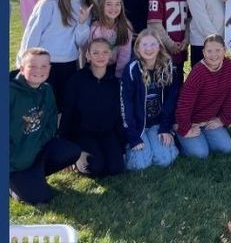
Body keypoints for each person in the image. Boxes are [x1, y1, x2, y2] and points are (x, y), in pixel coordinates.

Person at [9, 48, 80, 206]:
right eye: (32, 66)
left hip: (38, 148)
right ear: (21, 68)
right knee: (39, 197)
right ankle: (12, 183)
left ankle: (35, 174)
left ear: (50, 68)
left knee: (72, 151)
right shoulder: (9, 93)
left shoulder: (47, 89)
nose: (38, 71)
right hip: (16, 159)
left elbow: (51, 120)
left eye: (44, 66)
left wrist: (40, 142)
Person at [17, 0, 94, 107]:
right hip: (45, 62)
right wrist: (24, 60)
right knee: (42, 104)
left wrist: (83, 23)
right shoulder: (50, 2)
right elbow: (33, 33)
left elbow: (80, 42)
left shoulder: (84, 6)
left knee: (63, 104)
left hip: (69, 63)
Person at [60, 38, 125, 176]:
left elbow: (118, 114)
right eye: (95, 53)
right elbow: (67, 114)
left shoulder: (114, 82)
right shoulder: (76, 81)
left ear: (110, 55)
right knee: (94, 167)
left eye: (104, 52)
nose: (101, 56)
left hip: (107, 132)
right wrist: (66, 148)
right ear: (87, 56)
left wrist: (122, 143)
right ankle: (80, 154)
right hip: (84, 133)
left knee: (116, 168)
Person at [120, 29, 179, 171]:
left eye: (153, 44)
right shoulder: (131, 70)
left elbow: (171, 100)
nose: (149, 49)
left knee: (165, 160)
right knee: (141, 164)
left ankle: (153, 146)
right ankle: (128, 148)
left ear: (159, 47)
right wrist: (133, 136)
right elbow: (126, 105)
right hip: (137, 125)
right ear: (138, 48)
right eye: (144, 45)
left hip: (156, 123)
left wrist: (165, 128)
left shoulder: (168, 66)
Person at [175, 34, 231, 159]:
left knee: (226, 148)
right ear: (203, 52)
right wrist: (185, 129)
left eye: (218, 50)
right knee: (201, 154)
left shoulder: (228, 66)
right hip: (190, 121)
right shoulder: (198, 72)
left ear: (224, 50)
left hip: (209, 119)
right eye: (209, 51)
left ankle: (202, 138)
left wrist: (222, 119)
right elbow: (184, 104)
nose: (214, 55)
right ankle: (177, 136)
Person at [147, 0, 189, 79]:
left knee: (179, 83)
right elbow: (154, 23)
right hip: (164, 49)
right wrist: (169, 43)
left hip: (181, 48)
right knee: (165, 85)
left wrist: (186, 40)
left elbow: (189, 20)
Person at [88, 0, 133, 77]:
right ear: (102, 7)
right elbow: (89, 51)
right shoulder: (95, 28)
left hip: (115, 69)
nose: (113, 8)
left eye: (117, 4)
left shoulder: (125, 27)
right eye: (109, 4)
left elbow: (124, 55)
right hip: (96, 67)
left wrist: (118, 75)